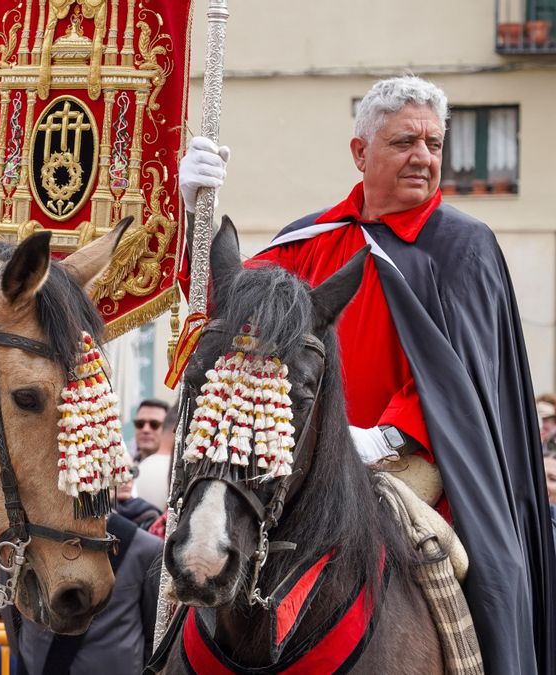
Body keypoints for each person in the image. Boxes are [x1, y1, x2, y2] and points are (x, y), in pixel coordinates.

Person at [178, 75, 556, 673]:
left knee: (471, 566)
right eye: (405, 141)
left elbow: (464, 379)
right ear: (361, 153)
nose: (423, 157)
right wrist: (193, 215)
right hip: (303, 447)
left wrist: (385, 434)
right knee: (198, 529)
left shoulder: (464, 245)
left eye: (434, 144)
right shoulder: (313, 238)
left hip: (413, 455)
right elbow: (231, 307)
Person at [13, 512, 163, 674]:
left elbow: (153, 632)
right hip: (39, 666)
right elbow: (13, 609)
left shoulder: (145, 548)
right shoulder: (25, 543)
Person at [131, 399, 171, 508]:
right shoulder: (122, 467)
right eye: (140, 424)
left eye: (154, 424)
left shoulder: (175, 473)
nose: (145, 429)